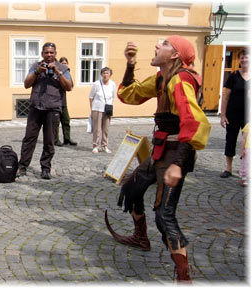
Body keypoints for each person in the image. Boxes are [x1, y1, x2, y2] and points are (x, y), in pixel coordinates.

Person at [104, 36, 211, 282]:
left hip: (175, 153)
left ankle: (184, 278)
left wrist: (178, 164)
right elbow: (129, 94)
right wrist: (130, 64)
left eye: (163, 44)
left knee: (164, 215)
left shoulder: (181, 80)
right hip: (160, 151)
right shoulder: (163, 78)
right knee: (131, 189)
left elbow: (193, 122)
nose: (156, 46)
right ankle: (141, 237)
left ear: (174, 55)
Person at [16, 42, 73, 180]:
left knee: (49, 141)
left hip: (53, 109)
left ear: (55, 54)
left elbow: (69, 86)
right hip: (36, 107)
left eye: (51, 52)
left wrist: (58, 73)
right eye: (46, 52)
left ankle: (46, 168)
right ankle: (22, 166)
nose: (49, 55)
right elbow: (26, 84)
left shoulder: (63, 68)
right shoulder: (36, 66)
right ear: (42, 54)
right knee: (29, 139)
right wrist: (37, 72)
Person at [220, 48, 249, 178]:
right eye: (242, 57)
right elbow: (226, 96)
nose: (244, 59)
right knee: (230, 140)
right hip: (232, 114)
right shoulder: (234, 76)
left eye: (246, 57)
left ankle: (245, 169)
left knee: (248, 143)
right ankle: (228, 168)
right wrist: (223, 115)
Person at [89, 67, 117, 153]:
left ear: (110, 75)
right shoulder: (97, 84)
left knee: (106, 128)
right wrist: (92, 109)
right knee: (97, 128)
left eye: (107, 73)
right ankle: (95, 145)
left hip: (107, 108)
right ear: (101, 74)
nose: (105, 75)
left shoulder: (112, 84)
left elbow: (113, 96)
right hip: (97, 108)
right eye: (103, 73)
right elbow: (91, 97)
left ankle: (104, 146)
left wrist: (111, 106)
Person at [55, 57, 77, 147]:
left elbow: (71, 86)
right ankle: (55, 139)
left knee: (66, 120)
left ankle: (67, 138)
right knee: (55, 122)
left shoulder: (66, 73)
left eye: (66, 63)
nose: (64, 65)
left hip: (63, 101)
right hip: (55, 101)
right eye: (62, 63)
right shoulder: (56, 73)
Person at [239, 122, 249, 187]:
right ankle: (244, 178)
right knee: (246, 165)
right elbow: (243, 138)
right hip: (248, 149)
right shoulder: (249, 125)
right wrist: (242, 150)